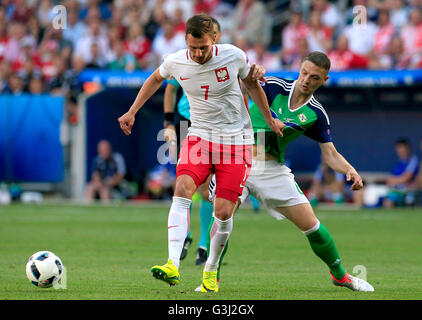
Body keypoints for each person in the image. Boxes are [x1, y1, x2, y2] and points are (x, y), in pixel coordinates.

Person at [117, 13, 284, 292]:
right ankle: (172, 263)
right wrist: (132, 111)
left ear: (214, 40)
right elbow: (155, 79)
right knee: (182, 187)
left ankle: (210, 272)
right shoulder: (176, 60)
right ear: (186, 41)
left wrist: (269, 119)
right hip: (200, 137)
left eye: (203, 48)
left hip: (236, 141)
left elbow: (253, 85)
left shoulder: (233, 56)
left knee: (223, 210)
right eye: (193, 47)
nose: (197, 53)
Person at [201, 51, 375, 292]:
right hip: (237, 159)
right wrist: (254, 73)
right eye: (304, 73)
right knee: (221, 217)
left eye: (314, 77)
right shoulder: (274, 85)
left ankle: (340, 275)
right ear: (299, 69)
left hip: (272, 170)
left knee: (312, 226)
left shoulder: (315, 113)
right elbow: (245, 83)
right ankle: (211, 280)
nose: (306, 80)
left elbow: (330, 153)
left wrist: (349, 169)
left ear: (324, 80)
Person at [162, 17, 222, 266]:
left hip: (215, 126)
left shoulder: (226, 60)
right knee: (186, 181)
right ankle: (185, 237)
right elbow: (169, 88)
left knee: (206, 187)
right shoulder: (186, 59)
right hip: (187, 122)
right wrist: (167, 123)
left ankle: (203, 244)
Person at [85, 139, 127, 204]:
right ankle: (88, 209)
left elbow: (121, 175)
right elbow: (95, 175)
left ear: (110, 149)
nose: (104, 152)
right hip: (102, 184)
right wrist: (99, 183)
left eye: (106, 149)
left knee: (105, 191)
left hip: (115, 186)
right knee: (90, 188)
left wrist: (109, 183)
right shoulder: (97, 160)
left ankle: (107, 210)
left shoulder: (117, 158)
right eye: (102, 150)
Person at [383, 138, 419, 208]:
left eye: (402, 148)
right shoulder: (399, 163)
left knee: (390, 199)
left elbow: (405, 178)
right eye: (399, 148)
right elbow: (390, 180)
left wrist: (395, 180)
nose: (400, 151)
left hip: (408, 191)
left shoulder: (413, 160)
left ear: (407, 148)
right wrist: (395, 181)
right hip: (396, 189)